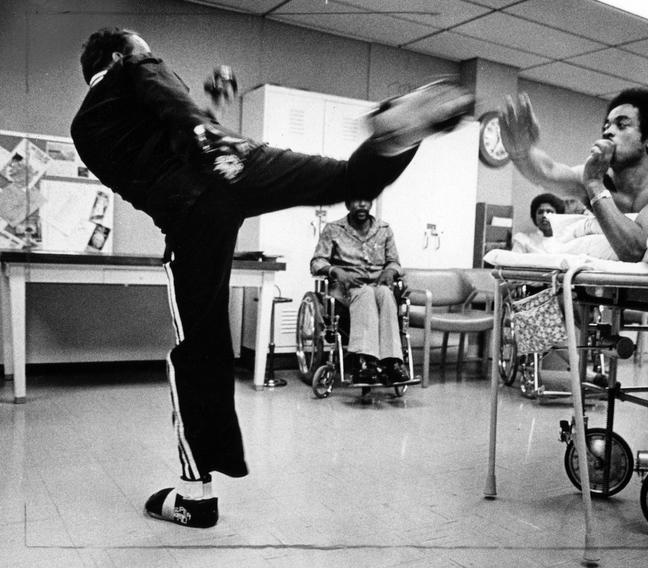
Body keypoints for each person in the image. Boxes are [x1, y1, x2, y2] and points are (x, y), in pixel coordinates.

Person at [70, 27, 472, 529]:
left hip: (194, 217)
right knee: (352, 179)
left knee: (199, 351)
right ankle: (401, 132)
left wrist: (203, 122)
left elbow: (165, 157)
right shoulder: (136, 70)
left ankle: (196, 496)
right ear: (117, 56)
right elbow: (173, 113)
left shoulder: (86, 131)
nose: (153, 55)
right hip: (234, 164)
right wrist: (206, 127)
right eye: (144, 49)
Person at [500, 88, 648, 262]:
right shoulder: (596, 175)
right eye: (606, 126)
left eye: (621, 124)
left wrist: (595, 185)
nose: (608, 131)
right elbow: (548, 172)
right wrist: (521, 153)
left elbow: (636, 249)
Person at [310, 199, 408, 384]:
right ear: (348, 204)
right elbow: (317, 262)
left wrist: (390, 270)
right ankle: (365, 361)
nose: (362, 204)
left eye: (366, 200)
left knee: (386, 294)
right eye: (357, 200)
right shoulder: (333, 229)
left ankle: (392, 361)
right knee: (365, 294)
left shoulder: (384, 229)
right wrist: (336, 271)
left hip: (377, 284)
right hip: (346, 288)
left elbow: (395, 262)